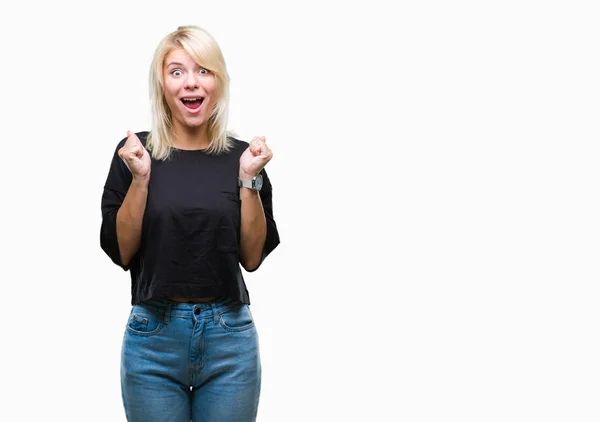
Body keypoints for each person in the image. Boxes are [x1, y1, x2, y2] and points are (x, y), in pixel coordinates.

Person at [100, 25, 280, 422]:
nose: (190, 83)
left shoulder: (243, 157)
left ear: (217, 81)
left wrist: (248, 179)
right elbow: (121, 251)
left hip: (229, 338)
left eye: (203, 70)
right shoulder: (133, 154)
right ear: (162, 84)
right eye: (177, 71)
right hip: (153, 340)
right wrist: (141, 178)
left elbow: (252, 258)